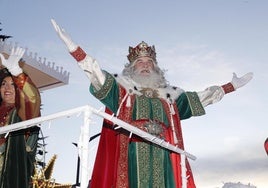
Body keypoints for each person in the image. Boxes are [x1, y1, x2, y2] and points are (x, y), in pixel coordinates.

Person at [51, 19, 253, 188]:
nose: (145, 65)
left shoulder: (170, 97)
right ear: (131, 67)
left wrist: (229, 87)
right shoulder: (122, 92)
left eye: (149, 62)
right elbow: (97, 76)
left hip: (164, 157)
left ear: (156, 68)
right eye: (140, 62)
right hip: (131, 155)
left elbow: (201, 98)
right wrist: (75, 50)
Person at [0, 47, 41, 188]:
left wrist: (16, 72)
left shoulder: (22, 114)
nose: (7, 88)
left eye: (13, 84)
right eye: (3, 84)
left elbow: (32, 99)